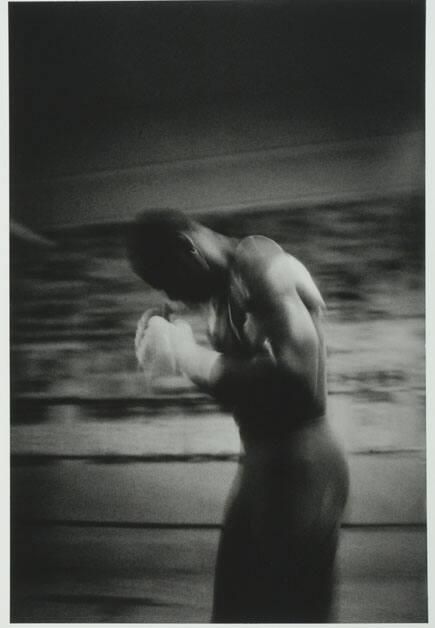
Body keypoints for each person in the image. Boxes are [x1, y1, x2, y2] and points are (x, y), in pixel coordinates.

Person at [128, 209, 349, 623]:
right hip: (263, 462)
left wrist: (185, 355)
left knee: (286, 613)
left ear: (186, 247)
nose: (171, 294)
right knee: (234, 611)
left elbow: (298, 385)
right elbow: (247, 398)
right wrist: (182, 346)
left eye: (166, 278)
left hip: (302, 461)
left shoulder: (258, 262)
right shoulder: (220, 298)